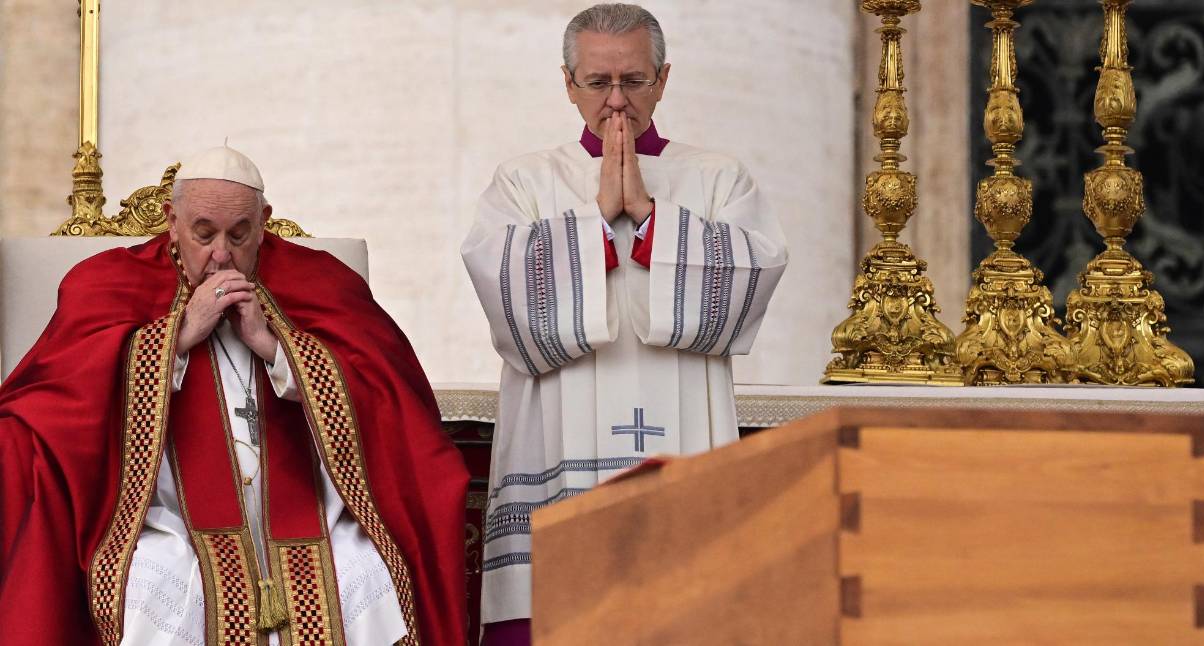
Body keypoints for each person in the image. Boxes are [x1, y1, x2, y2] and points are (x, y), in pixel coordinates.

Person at [0, 146, 469, 645]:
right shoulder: (107, 282)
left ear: (264, 222)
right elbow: (53, 401)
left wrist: (277, 349)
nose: (221, 253)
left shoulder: (323, 281)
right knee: (151, 586)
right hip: (165, 522)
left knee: (367, 577)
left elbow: (389, 396)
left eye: (239, 234)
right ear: (170, 219)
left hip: (313, 515)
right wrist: (174, 338)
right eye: (203, 233)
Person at [461, 4, 788, 643]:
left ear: (663, 79)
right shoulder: (524, 181)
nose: (616, 102)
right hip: (556, 446)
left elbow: (751, 281)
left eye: (634, 82)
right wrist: (600, 219)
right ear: (567, 83)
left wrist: (647, 214)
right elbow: (507, 301)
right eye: (597, 82)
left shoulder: (718, 178)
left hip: (681, 444)